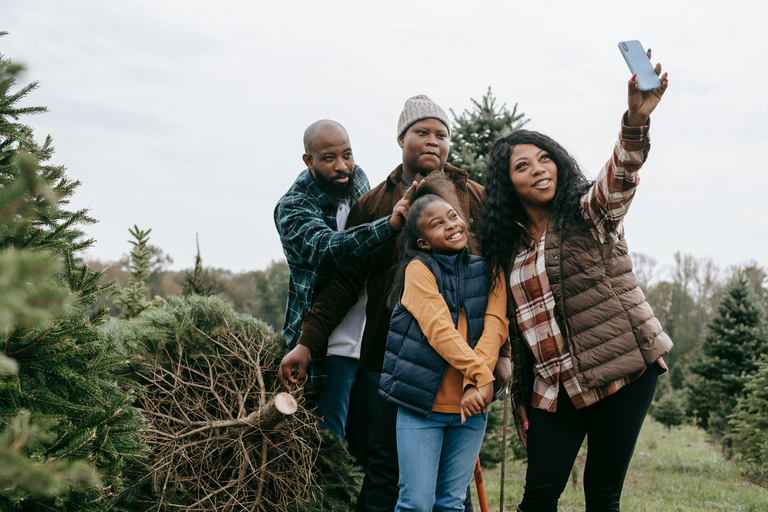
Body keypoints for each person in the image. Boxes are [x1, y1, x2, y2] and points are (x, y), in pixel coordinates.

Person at [282, 95, 511, 512]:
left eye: (441, 135)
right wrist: (306, 342)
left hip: (462, 364)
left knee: (450, 489)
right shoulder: (373, 204)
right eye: (421, 132)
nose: (432, 141)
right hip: (388, 362)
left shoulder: (474, 199)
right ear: (401, 138)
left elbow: (498, 283)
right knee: (383, 471)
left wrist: (503, 354)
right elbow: (344, 281)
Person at [481, 57, 672, 512]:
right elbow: (525, 333)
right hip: (556, 386)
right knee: (540, 492)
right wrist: (524, 394)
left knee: (601, 493)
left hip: (622, 368)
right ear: (508, 183)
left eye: (545, 158)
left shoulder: (589, 215)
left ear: (560, 162)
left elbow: (619, 177)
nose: (539, 169)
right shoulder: (511, 251)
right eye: (523, 166)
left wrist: (635, 121)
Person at [274, 119, 411, 439]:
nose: (342, 166)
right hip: (326, 344)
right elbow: (329, 249)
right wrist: (387, 227)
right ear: (308, 161)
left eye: (347, 155)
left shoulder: (357, 178)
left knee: (370, 441)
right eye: (329, 158)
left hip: (370, 338)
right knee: (330, 440)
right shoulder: (292, 207)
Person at [379, 180, 509, 512]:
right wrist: (485, 378)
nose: (450, 225)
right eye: (437, 224)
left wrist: (475, 386)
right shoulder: (418, 270)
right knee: (416, 503)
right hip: (422, 408)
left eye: (452, 216)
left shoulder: (491, 270)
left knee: (450, 503)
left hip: (472, 410)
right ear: (423, 242)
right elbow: (440, 331)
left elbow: (494, 328)